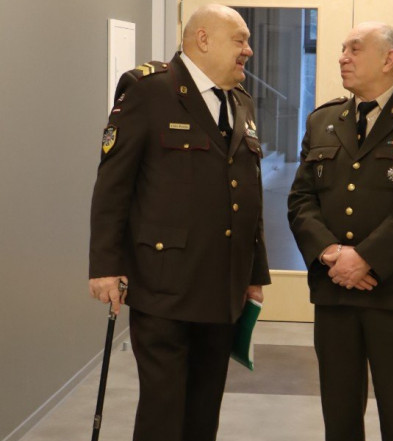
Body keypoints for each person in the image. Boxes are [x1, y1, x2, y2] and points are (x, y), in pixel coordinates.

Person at [88, 4, 270, 441]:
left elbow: (248, 194)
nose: (248, 50)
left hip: (222, 285)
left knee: (205, 409)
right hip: (163, 285)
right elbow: (113, 186)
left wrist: (254, 273)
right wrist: (105, 266)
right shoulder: (150, 91)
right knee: (163, 410)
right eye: (240, 40)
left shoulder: (240, 100)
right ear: (202, 39)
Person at [288, 21, 393, 441]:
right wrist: (331, 254)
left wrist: (365, 258)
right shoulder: (324, 120)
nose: (342, 57)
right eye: (343, 48)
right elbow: (301, 200)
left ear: (388, 59)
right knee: (339, 417)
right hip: (335, 293)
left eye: (355, 49)